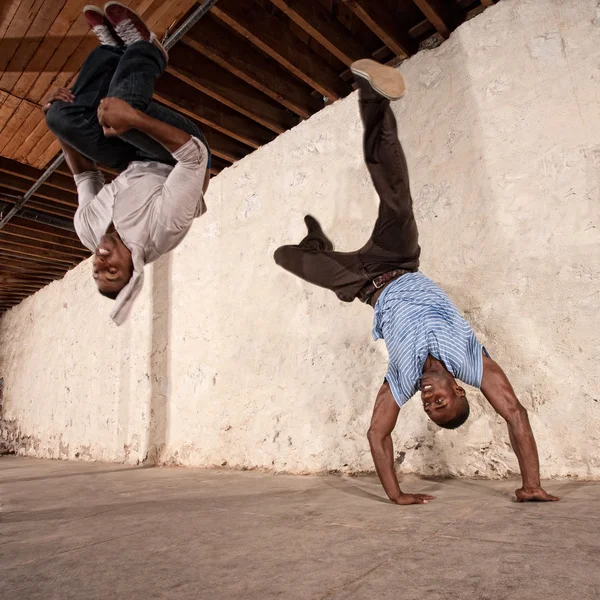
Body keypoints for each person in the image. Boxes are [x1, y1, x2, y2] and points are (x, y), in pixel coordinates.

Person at [274, 59, 559, 506]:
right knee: (397, 197)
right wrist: (532, 484)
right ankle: (373, 97)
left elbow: (376, 433)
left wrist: (396, 494)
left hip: (363, 284)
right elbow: (515, 413)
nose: (429, 401)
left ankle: (314, 249)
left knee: (283, 257)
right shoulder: (470, 359)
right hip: (398, 260)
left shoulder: (402, 379)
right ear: (458, 389)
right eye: (441, 402)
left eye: (429, 408)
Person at [42, 3, 211, 325]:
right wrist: (134, 118)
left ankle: (111, 50)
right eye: (113, 270)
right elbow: (195, 158)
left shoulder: (87, 231)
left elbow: (86, 175)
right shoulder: (162, 230)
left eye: (97, 270)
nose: (101, 260)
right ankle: (145, 49)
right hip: (178, 156)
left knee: (61, 116)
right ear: (134, 264)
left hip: (132, 162)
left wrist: (54, 122)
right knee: (120, 113)